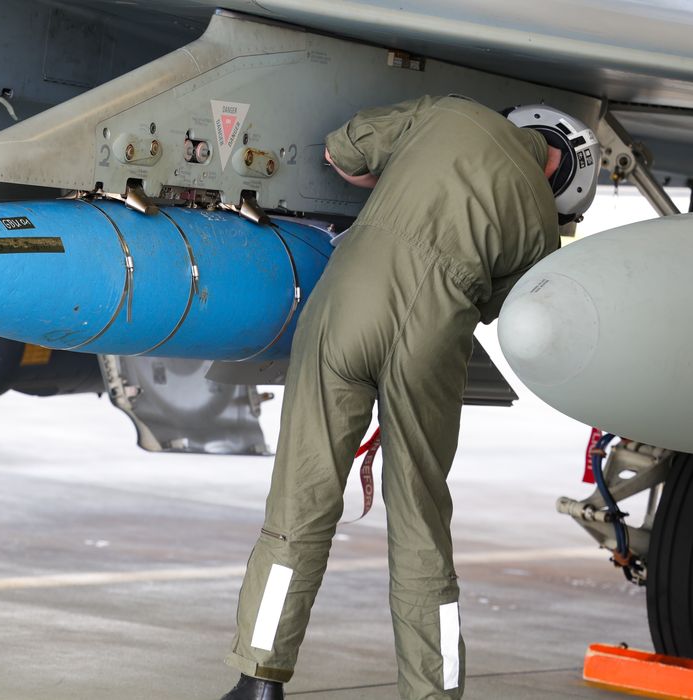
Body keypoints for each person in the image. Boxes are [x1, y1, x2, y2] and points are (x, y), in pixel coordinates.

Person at [217, 95, 601, 700]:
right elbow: (494, 311)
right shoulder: (541, 233)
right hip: (431, 340)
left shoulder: (449, 113)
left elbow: (342, 151)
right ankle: (434, 692)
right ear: (565, 178)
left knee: (300, 502)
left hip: (345, 308)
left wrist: (393, 183)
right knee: (422, 522)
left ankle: (258, 680)